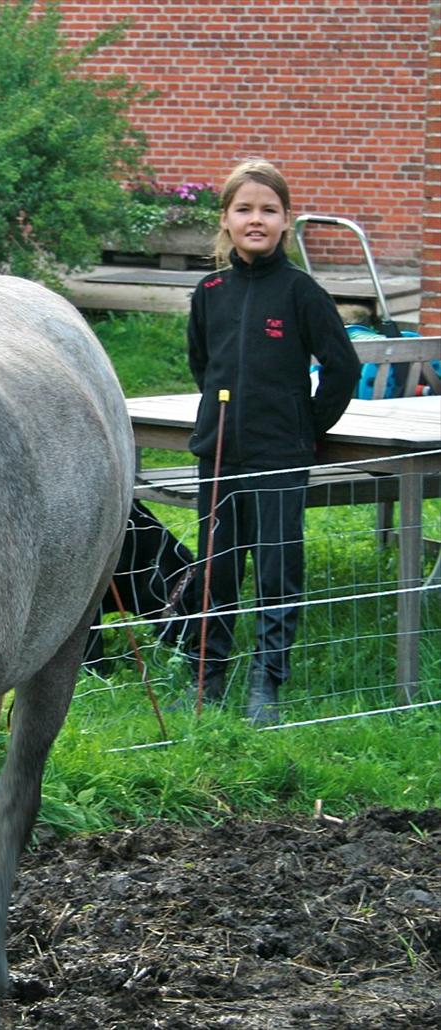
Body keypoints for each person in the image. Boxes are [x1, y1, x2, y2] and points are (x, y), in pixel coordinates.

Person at [182, 159, 360, 724]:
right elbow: (202, 364)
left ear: (286, 221)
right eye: (244, 209)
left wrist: (304, 426)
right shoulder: (210, 291)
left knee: (277, 569)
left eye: (268, 210)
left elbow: (342, 366)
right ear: (226, 220)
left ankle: (268, 684)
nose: (255, 219)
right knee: (219, 567)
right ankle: (207, 679)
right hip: (219, 452)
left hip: (280, 454)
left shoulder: (302, 292)